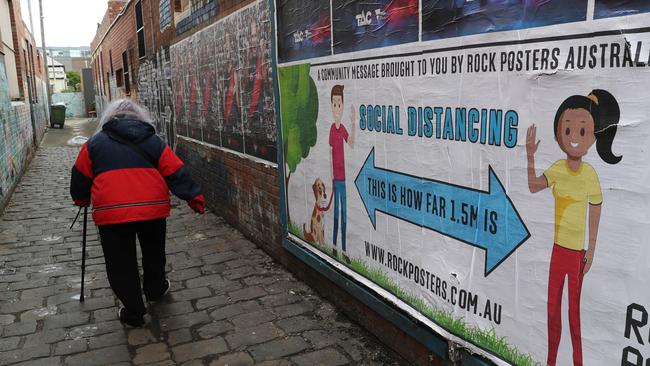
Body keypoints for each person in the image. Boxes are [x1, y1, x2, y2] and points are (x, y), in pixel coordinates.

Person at [70, 99, 205, 327]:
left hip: (112, 213)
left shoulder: (93, 144)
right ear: (139, 118)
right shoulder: (153, 141)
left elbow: (80, 176)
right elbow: (175, 169)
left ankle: (133, 311)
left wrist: (81, 198)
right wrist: (193, 196)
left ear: (110, 119)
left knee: (120, 262)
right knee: (154, 253)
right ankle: (155, 290)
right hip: (152, 209)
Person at [526, 89, 621, 365]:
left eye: (582, 130)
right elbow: (533, 187)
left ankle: (578, 361)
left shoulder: (590, 175)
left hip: (577, 255)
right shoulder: (557, 168)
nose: (574, 138)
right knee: (553, 312)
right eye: (567, 129)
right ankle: (551, 361)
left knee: (573, 314)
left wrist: (591, 250)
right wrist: (530, 156)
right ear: (559, 135)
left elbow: (596, 208)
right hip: (559, 252)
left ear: (593, 137)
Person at [328, 85, 355, 263]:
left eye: (340, 104)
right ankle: (334, 247)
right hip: (335, 179)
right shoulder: (332, 129)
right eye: (334, 104)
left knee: (344, 213)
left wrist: (353, 123)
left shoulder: (343, 128)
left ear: (343, 106)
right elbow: (330, 152)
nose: (337, 107)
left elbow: (351, 143)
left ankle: (344, 250)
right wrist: (331, 175)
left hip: (343, 179)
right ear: (331, 106)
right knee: (336, 214)